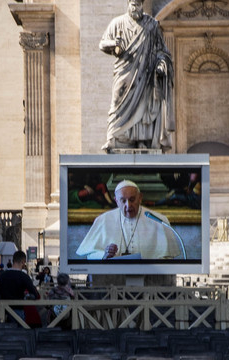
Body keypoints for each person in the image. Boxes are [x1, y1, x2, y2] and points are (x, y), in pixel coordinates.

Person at [99, 0, 174, 151]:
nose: (135, 8)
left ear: (142, 4)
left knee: (143, 105)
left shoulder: (152, 25)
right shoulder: (117, 22)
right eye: (133, 4)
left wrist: (161, 64)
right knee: (117, 102)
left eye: (138, 4)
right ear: (128, 4)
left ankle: (142, 140)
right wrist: (114, 44)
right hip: (124, 73)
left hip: (145, 75)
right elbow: (102, 44)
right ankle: (113, 137)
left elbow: (162, 51)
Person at [76, 180, 180, 260]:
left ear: (140, 198)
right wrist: (104, 254)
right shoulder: (103, 220)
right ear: (116, 201)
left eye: (132, 199)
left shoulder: (158, 220)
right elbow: (89, 255)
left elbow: (168, 258)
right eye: (123, 200)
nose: (128, 205)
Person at [0, 251, 40, 323]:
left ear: (13, 260)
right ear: (23, 262)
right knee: (19, 332)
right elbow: (34, 294)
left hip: (2, 311)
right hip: (18, 310)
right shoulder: (23, 276)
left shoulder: (2, 275)